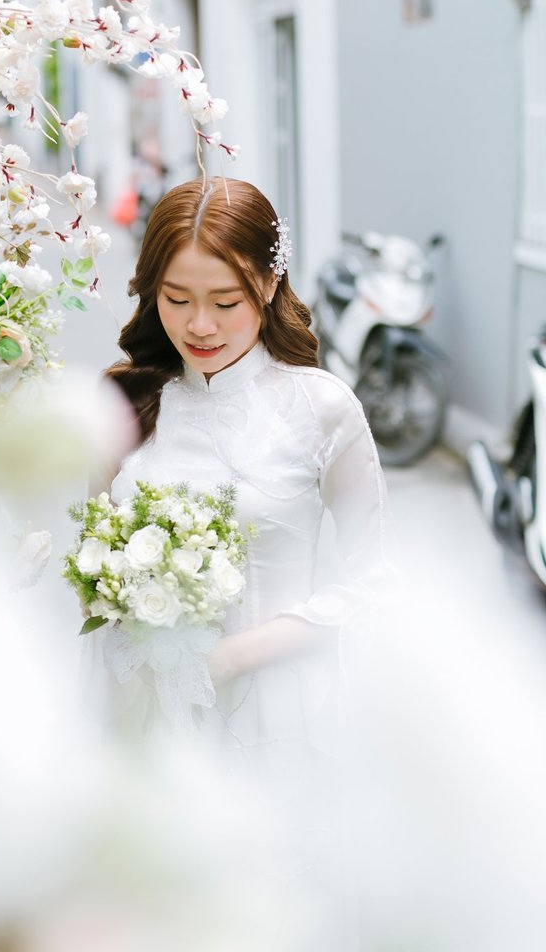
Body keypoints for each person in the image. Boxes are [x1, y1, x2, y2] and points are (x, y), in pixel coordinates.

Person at [97, 176, 392, 949]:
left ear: (267, 282)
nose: (200, 325)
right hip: (153, 714)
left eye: (226, 301)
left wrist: (236, 655)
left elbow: (373, 580)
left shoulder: (320, 407)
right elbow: (88, 557)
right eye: (176, 298)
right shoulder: (130, 403)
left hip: (284, 714)